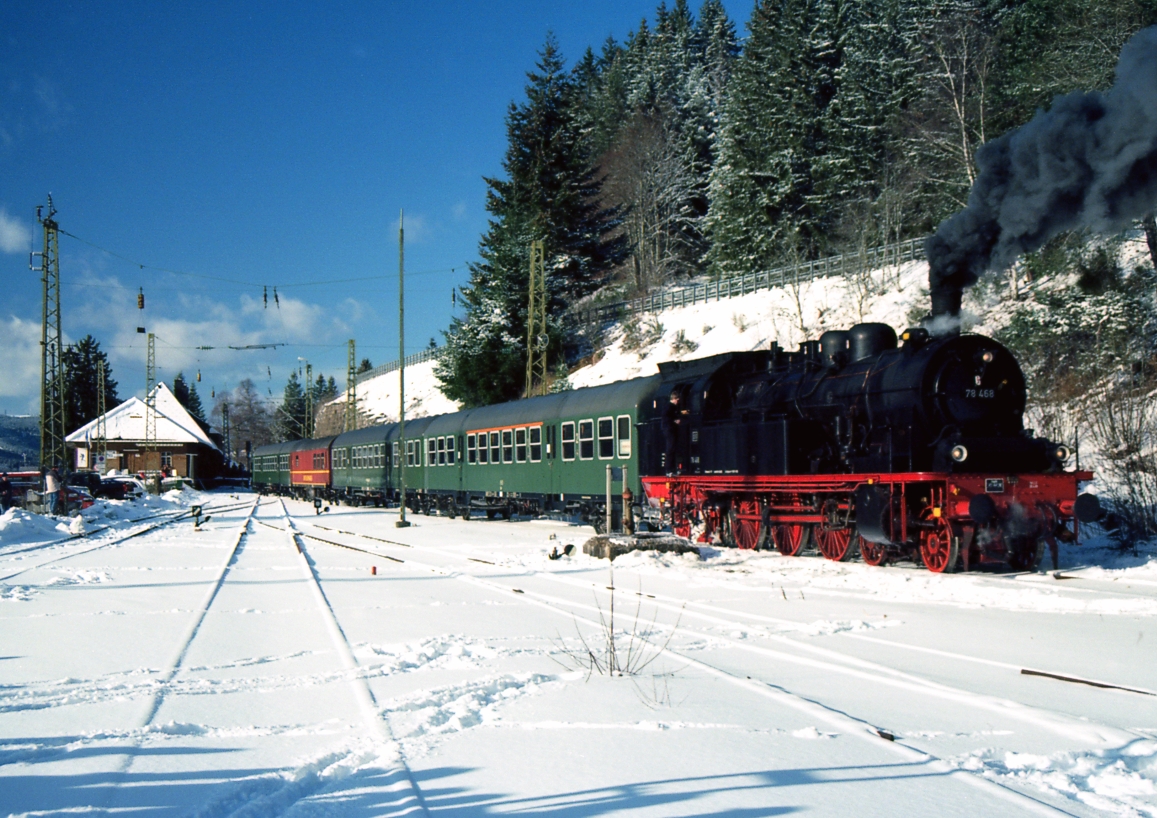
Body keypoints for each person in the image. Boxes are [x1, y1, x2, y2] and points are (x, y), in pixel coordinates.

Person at [662, 388, 689, 475]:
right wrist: (675, 420)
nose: (678, 402)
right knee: (670, 449)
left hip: (671, 430)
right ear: (673, 399)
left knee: (673, 449)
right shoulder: (669, 407)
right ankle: (669, 469)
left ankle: (673, 469)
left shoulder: (672, 407)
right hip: (669, 430)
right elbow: (666, 417)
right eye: (677, 400)